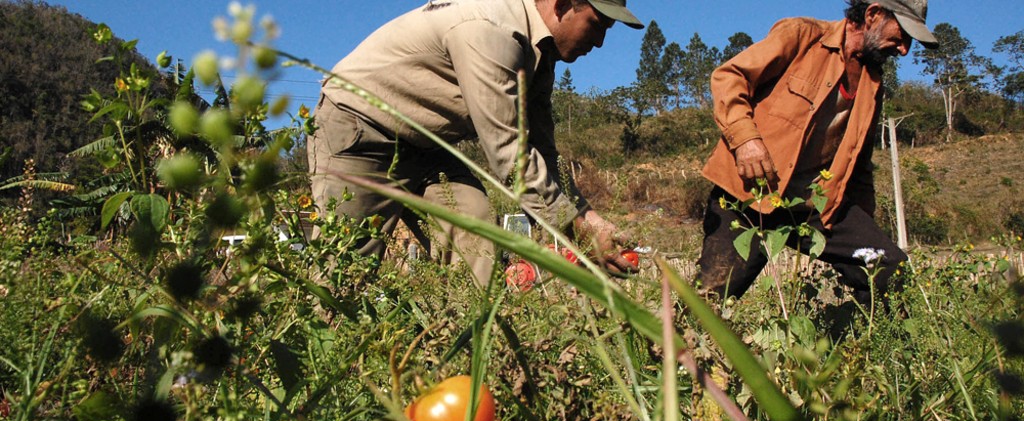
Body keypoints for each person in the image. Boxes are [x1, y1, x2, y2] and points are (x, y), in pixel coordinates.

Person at [308, 0, 643, 286]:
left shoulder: (540, 57)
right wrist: (580, 234)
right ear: (563, 4)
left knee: (476, 227)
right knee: (346, 267)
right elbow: (510, 155)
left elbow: (542, 153)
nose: (599, 42)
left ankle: (470, 347)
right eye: (598, 25)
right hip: (363, 130)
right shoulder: (492, 30)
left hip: (431, 145)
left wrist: (593, 222)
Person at [695, 0, 938, 306]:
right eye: (902, 33)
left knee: (890, 267)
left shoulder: (872, 84)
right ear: (873, 14)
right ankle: (675, 349)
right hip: (750, 193)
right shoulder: (803, 36)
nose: (904, 49)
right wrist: (745, 140)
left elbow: (859, 163)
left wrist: (865, 227)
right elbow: (729, 76)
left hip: (815, 207)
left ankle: (857, 347)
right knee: (711, 300)